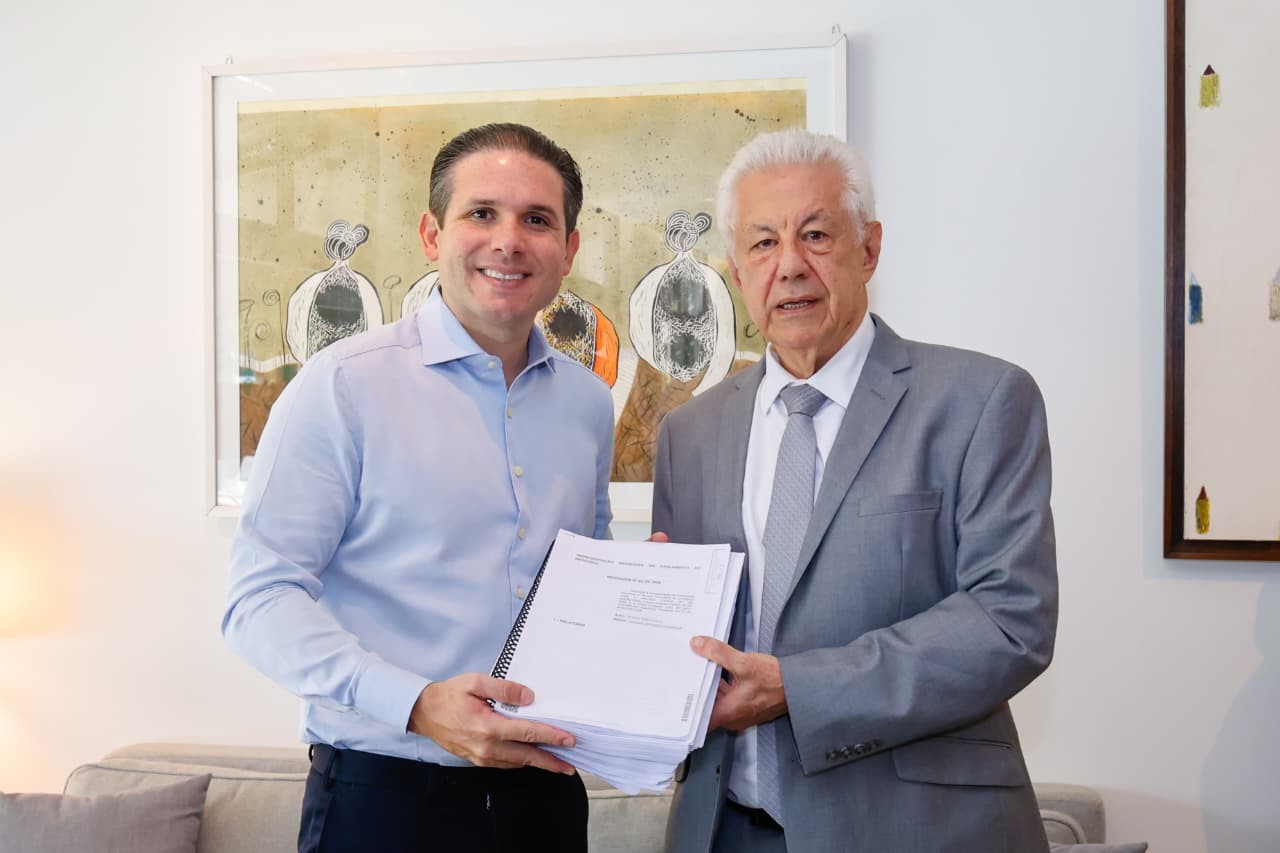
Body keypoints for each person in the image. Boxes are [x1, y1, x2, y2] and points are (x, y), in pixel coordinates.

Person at [653, 128, 1058, 853]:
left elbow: (1010, 622)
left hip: (916, 831)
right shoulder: (690, 432)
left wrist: (798, 688)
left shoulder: (980, 400)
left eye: (815, 235)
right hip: (722, 828)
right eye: (763, 243)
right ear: (737, 272)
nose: (790, 265)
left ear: (868, 249)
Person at [222, 123, 614, 853]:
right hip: (386, 798)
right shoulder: (343, 386)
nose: (509, 241)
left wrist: (636, 593)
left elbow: (580, 582)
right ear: (433, 235)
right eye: (482, 213)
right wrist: (417, 703)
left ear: (569, 249)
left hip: (546, 796)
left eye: (537, 220)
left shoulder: (587, 403)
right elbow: (258, 599)